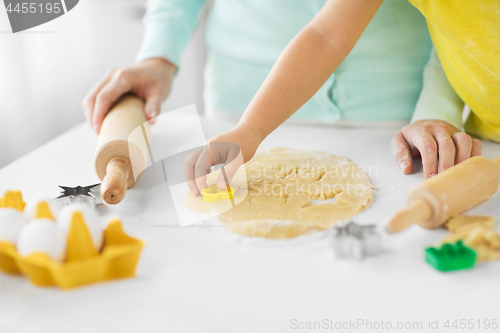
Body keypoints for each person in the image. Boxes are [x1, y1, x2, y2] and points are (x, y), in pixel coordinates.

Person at [82, 0, 479, 196]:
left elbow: (457, 19)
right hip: (234, 116)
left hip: (396, 124)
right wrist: (158, 56)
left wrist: (436, 111)